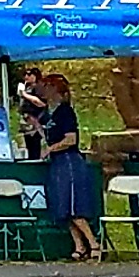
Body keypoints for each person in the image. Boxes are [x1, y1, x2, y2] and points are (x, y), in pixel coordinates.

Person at [30, 70, 103, 263]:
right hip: (56, 163)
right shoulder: (48, 113)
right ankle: (79, 245)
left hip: (69, 161)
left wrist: (50, 149)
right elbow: (46, 133)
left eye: (47, 87)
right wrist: (36, 127)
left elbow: (71, 139)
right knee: (63, 207)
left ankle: (93, 243)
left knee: (74, 206)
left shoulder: (65, 112)